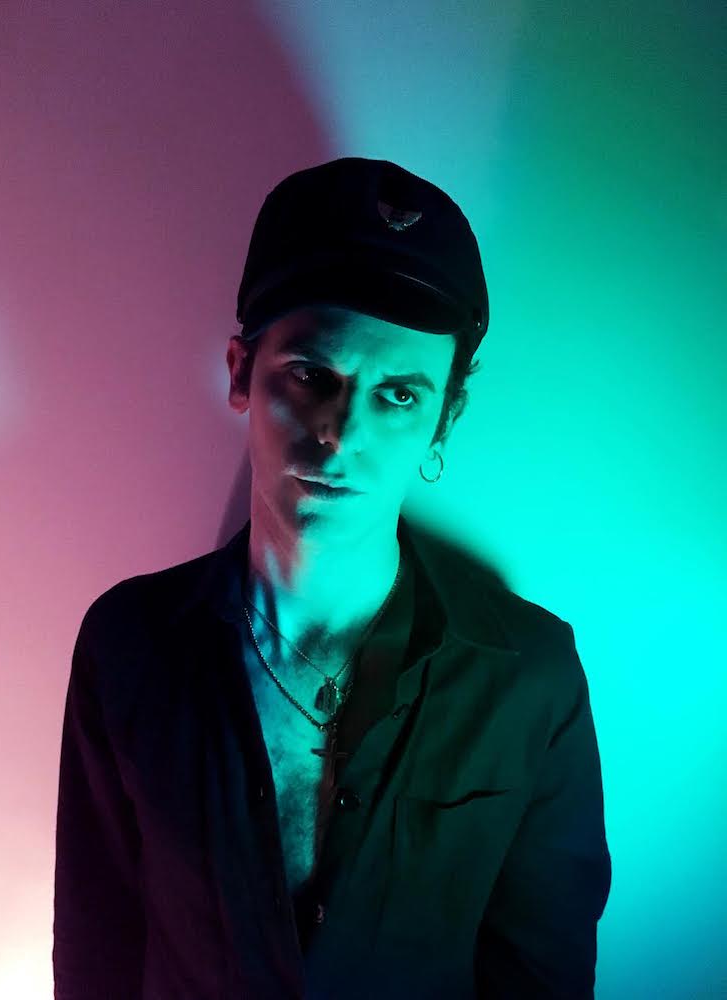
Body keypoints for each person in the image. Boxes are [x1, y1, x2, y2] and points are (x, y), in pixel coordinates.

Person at [52, 157, 612, 999]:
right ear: (241, 372)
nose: (341, 434)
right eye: (313, 375)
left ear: (444, 419)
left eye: (398, 396)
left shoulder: (531, 677)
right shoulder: (127, 644)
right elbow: (96, 949)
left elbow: (543, 977)